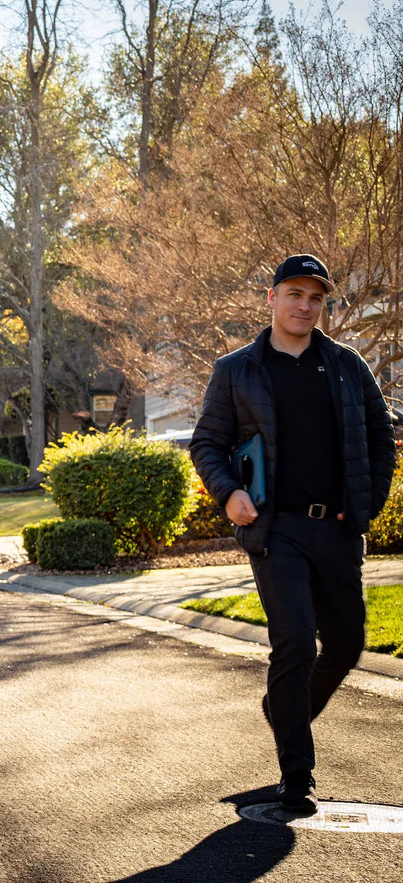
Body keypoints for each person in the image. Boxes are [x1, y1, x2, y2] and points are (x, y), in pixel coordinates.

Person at [190, 254, 395, 816]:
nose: (305, 306)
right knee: (297, 644)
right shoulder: (237, 369)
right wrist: (229, 491)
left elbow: (381, 439)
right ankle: (297, 776)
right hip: (275, 529)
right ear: (273, 297)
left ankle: (286, 712)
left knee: (347, 644)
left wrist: (365, 507)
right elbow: (206, 443)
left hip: (337, 527)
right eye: (295, 294)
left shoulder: (348, 365)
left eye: (315, 297)